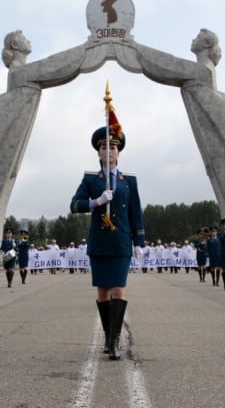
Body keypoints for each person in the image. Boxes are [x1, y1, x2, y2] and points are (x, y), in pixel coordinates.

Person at [70, 125, 145, 360]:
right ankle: (108, 335)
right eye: (104, 147)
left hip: (121, 242)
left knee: (118, 288)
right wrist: (96, 201)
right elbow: (74, 205)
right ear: (98, 152)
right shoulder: (91, 179)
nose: (109, 151)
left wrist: (140, 241)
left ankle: (114, 342)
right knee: (102, 290)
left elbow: (136, 212)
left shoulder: (128, 180)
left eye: (113, 147)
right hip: (100, 242)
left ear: (119, 152)